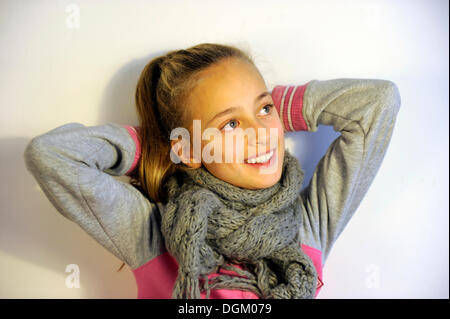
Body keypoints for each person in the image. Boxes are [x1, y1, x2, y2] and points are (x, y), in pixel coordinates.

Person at [23, 43, 401, 299]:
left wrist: (282, 109)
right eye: (231, 125)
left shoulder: (309, 224)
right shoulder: (152, 233)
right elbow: (51, 156)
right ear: (187, 148)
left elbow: (377, 104)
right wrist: (158, 142)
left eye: (263, 109)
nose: (260, 135)